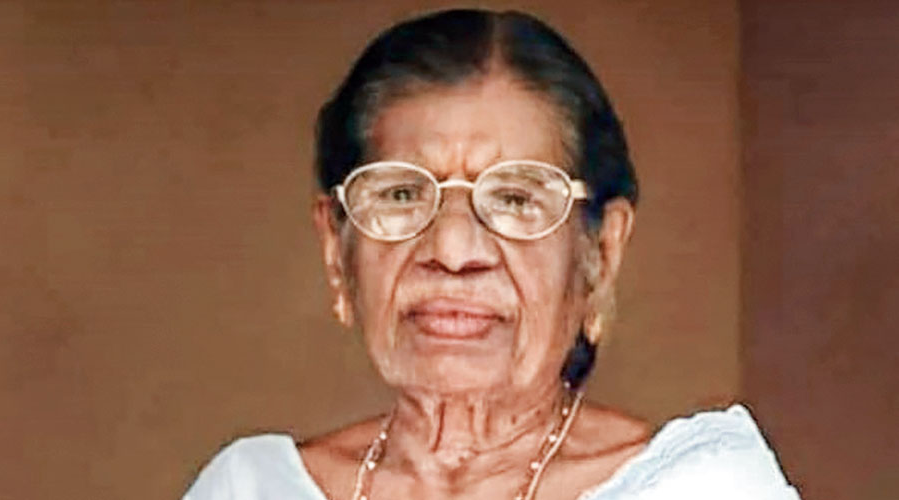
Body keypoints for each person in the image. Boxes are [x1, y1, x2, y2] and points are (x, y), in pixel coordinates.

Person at [183, 9, 801, 500]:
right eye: (401, 195)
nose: (453, 251)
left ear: (600, 253)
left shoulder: (701, 488)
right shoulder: (251, 489)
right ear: (335, 249)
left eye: (515, 198)